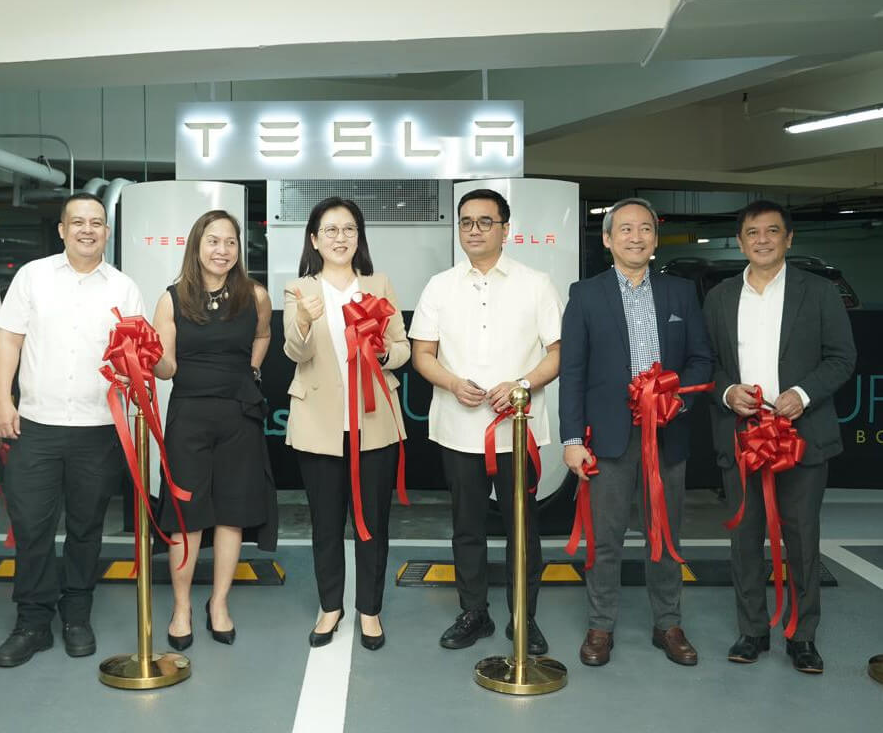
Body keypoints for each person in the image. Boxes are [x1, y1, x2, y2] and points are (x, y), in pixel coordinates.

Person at [0, 193, 143, 667]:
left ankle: (77, 615)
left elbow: (135, 352)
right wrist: (1, 400)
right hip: (37, 425)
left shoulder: (123, 287)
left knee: (86, 526)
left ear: (107, 232)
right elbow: (8, 341)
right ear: (61, 230)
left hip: (99, 428)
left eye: (96, 222)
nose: (87, 230)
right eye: (77, 222)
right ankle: (32, 622)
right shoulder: (32, 276)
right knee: (32, 527)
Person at [703, 199, 855, 674]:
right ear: (740, 241)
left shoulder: (819, 292)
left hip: (801, 436)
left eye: (772, 231)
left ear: (788, 238)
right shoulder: (720, 296)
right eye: (752, 233)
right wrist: (727, 392)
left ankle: (803, 636)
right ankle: (752, 631)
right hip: (742, 436)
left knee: (802, 539)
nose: (762, 240)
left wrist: (803, 394)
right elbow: (708, 364)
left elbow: (842, 357)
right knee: (744, 539)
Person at [559, 197, 712, 668]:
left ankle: (668, 623)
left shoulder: (680, 293)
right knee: (604, 539)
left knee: (665, 537)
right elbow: (573, 372)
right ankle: (600, 626)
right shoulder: (586, 295)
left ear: (655, 238)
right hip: (608, 440)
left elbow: (701, 360)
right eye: (624, 229)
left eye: (645, 228)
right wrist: (571, 440)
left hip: (667, 435)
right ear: (607, 240)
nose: (636, 237)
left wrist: (677, 401)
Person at [410, 188, 562, 652]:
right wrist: (453, 383)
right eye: (466, 222)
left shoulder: (536, 283)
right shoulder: (439, 285)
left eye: (485, 221)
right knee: (467, 527)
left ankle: (524, 617)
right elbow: (422, 354)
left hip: (517, 428)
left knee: (523, 529)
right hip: (458, 428)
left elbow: (558, 352)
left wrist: (522, 384)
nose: (474, 230)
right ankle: (474, 613)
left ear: (505, 228)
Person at [283, 196, 409, 651]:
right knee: (325, 522)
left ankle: (369, 610)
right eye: (331, 230)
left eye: (349, 229)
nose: (341, 238)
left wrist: (383, 353)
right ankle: (330, 606)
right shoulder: (299, 289)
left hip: (374, 421)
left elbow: (402, 348)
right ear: (314, 239)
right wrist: (303, 320)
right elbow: (295, 352)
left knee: (373, 521)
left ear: (359, 237)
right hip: (319, 423)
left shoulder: (379, 284)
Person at [150, 209, 276, 650]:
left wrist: (252, 369)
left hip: (240, 414)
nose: (222, 250)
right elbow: (167, 367)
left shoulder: (255, 295)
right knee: (186, 517)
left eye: (230, 242)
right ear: (197, 246)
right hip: (189, 416)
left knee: (231, 514)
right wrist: (145, 359)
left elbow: (263, 335)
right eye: (213, 241)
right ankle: (181, 606)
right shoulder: (171, 299)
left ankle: (218, 603)